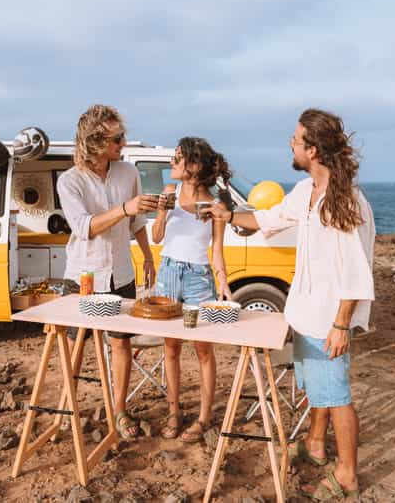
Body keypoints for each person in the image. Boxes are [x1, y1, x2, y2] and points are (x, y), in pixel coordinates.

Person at [205, 108, 374, 501]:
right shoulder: (305, 193)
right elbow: (268, 218)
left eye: (295, 140)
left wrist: (342, 323)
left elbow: (355, 270)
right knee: (318, 390)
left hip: (330, 318)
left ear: (312, 150)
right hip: (307, 311)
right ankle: (315, 445)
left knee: (336, 396)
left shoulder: (342, 201)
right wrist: (228, 214)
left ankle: (347, 474)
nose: (290, 145)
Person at [57, 104, 159, 440]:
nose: (123, 144)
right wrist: (124, 208)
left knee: (120, 344)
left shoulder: (128, 173)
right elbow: (85, 227)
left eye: (122, 136)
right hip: (84, 275)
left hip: (121, 273)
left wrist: (147, 257)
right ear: (96, 142)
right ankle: (66, 409)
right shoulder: (69, 181)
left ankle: (119, 409)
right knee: (76, 346)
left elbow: (138, 221)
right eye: (117, 139)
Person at [151, 136, 234, 442]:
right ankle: (174, 412)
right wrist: (161, 211)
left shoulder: (214, 205)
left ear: (195, 166)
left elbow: (217, 251)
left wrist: (222, 280)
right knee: (170, 347)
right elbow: (158, 238)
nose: (172, 163)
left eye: (178, 158)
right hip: (169, 271)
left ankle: (203, 417)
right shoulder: (168, 192)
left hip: (199, 277)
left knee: (203, 349)